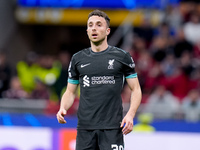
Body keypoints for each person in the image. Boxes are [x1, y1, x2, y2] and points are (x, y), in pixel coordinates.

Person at [56, 9, 142, 150]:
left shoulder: (122, 57)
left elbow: (136, 89)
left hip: (112, 128)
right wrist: (63, 108)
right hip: (85, 128)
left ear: (107, 31)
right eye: (90, 25)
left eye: (98, 24)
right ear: (87, 31)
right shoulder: (78, 59)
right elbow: (70, 92)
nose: (94, 28)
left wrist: (130, 114)